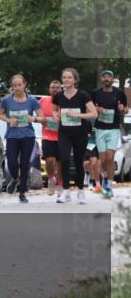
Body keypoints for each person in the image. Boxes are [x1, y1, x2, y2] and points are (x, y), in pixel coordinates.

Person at [0, 74, 44, 204]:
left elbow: (42, 117)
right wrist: (9, 120)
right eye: (14, 85)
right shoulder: (6, 100)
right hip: (12, 136)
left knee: (25, 163)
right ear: (12, 86)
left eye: (19, 85)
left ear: (24, 85)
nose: (17, 87)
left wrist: (33, 119)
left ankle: (22, 193)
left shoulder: (32, 100)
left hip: (28, 136)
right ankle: (15, 179)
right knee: (12, 163)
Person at [53, 68, 98, 204]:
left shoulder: (83, 95)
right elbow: (54, 110)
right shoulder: (59, 96)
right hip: (64, 132)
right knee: (65, 160)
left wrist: (77, 115)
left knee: (79, 162)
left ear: (75, 80)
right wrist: (56, 116)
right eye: (64, 77)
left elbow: (94, 114)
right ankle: (66, 191)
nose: (66, 80)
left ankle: (80, 191)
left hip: (80, 132)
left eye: (69, 77)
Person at [91, 69, 127, 200]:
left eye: (109, 76)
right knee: (103, 160)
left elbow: (126, 108)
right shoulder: (95, 93)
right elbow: (89, 108)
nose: (106, 79)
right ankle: (105, 177)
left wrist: (123, 109)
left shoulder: (120, 93)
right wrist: (95, 109)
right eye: (104, 77)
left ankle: (109, 186)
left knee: (111, 156)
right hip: (100, 129)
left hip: (113, 129)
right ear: (101, 80)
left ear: (113, 79)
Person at [39, 80, 62, 195]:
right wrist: (41, 119)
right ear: (49, 89)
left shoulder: (65, 102)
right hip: (47, 135)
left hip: (62, 137)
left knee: (60, 162)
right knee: (49, 160)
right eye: (53, 87)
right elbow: (38, 116)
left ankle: (60, 183)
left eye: (57, 88)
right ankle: (51, 178)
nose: (55, 89)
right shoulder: (43, 100)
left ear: (61, 89)